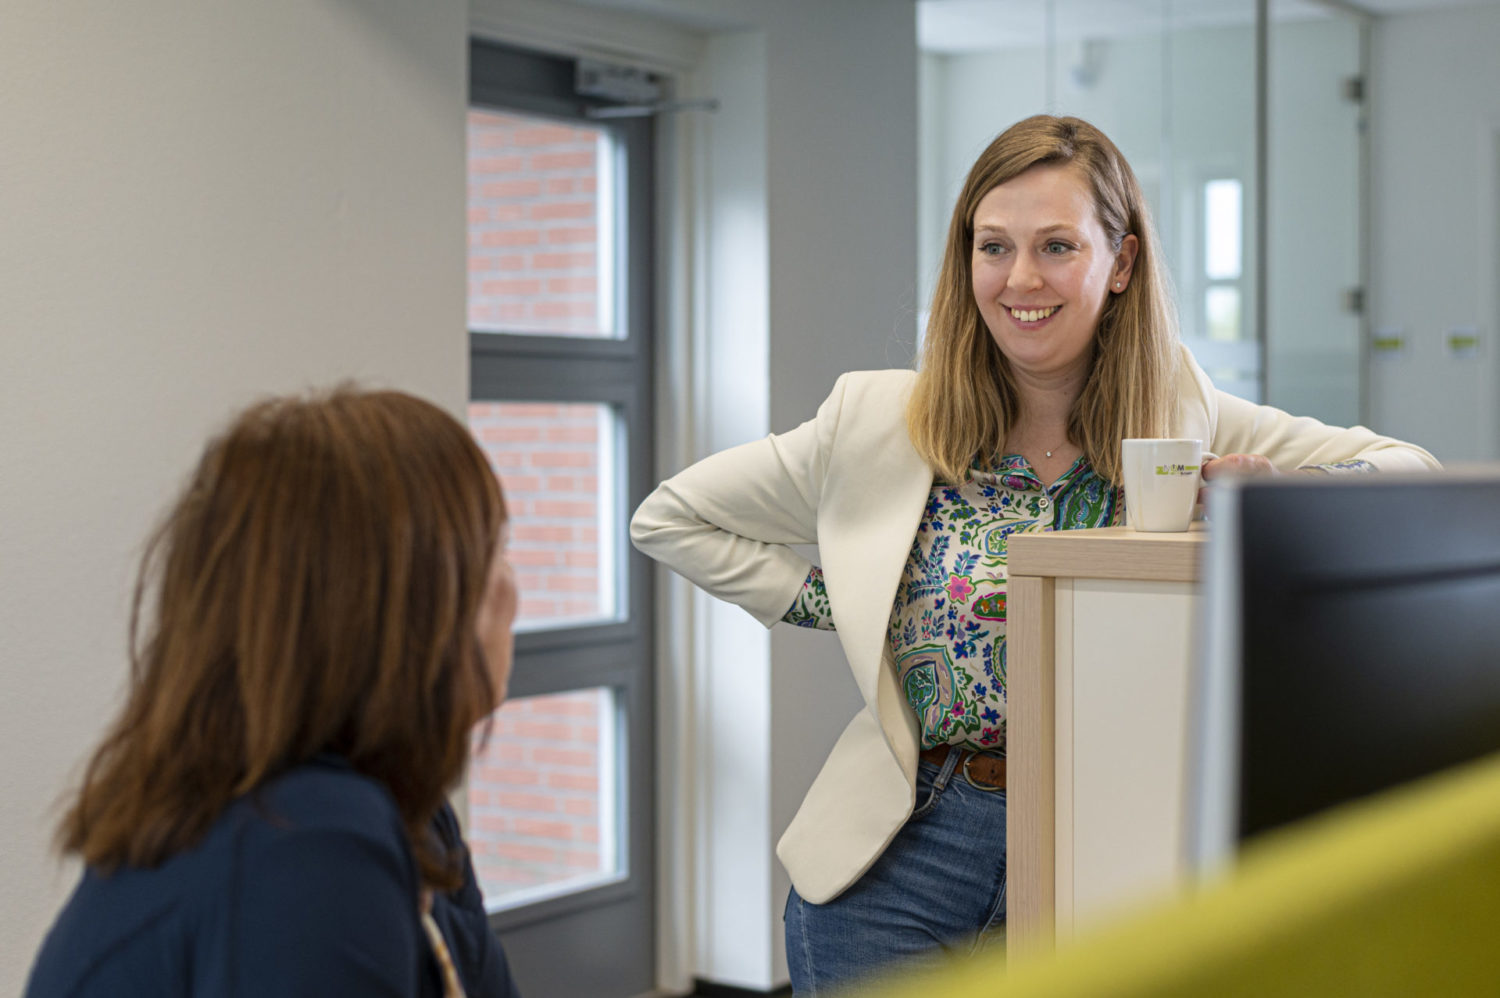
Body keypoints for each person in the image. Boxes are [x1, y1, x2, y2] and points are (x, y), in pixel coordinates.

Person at [629, 114, 1439, 995]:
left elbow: (1411, 470)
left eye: (1057, 246)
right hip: (904, 857)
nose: (1020, 279)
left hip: (1115, 849)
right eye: (993, 246)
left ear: (1120, 263)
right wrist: (852, 603)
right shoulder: (877, 422)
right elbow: (671, 517)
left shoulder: (1183, 415)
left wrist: (1281, 492)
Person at [26, 389, 523, 998]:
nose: (512, 595)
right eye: (494, 551)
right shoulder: (304, 837)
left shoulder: (407, 817)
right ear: (401, 608)